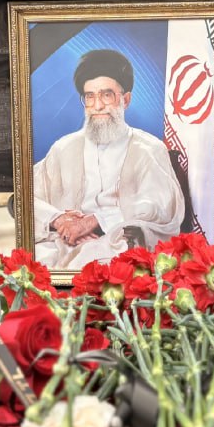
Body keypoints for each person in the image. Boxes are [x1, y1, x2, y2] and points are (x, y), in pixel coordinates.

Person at [33, 49, 185, 270]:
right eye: (90, 96)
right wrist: (58, 219)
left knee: (95, 261)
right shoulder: (63, 148)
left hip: (117, 239)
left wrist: (95, 221)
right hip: (64, 238)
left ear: (126, 99)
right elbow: (29, 196)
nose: (97, 106)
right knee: (35, 261)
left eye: (106, 95)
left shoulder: (149, 149)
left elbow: (159, 205)